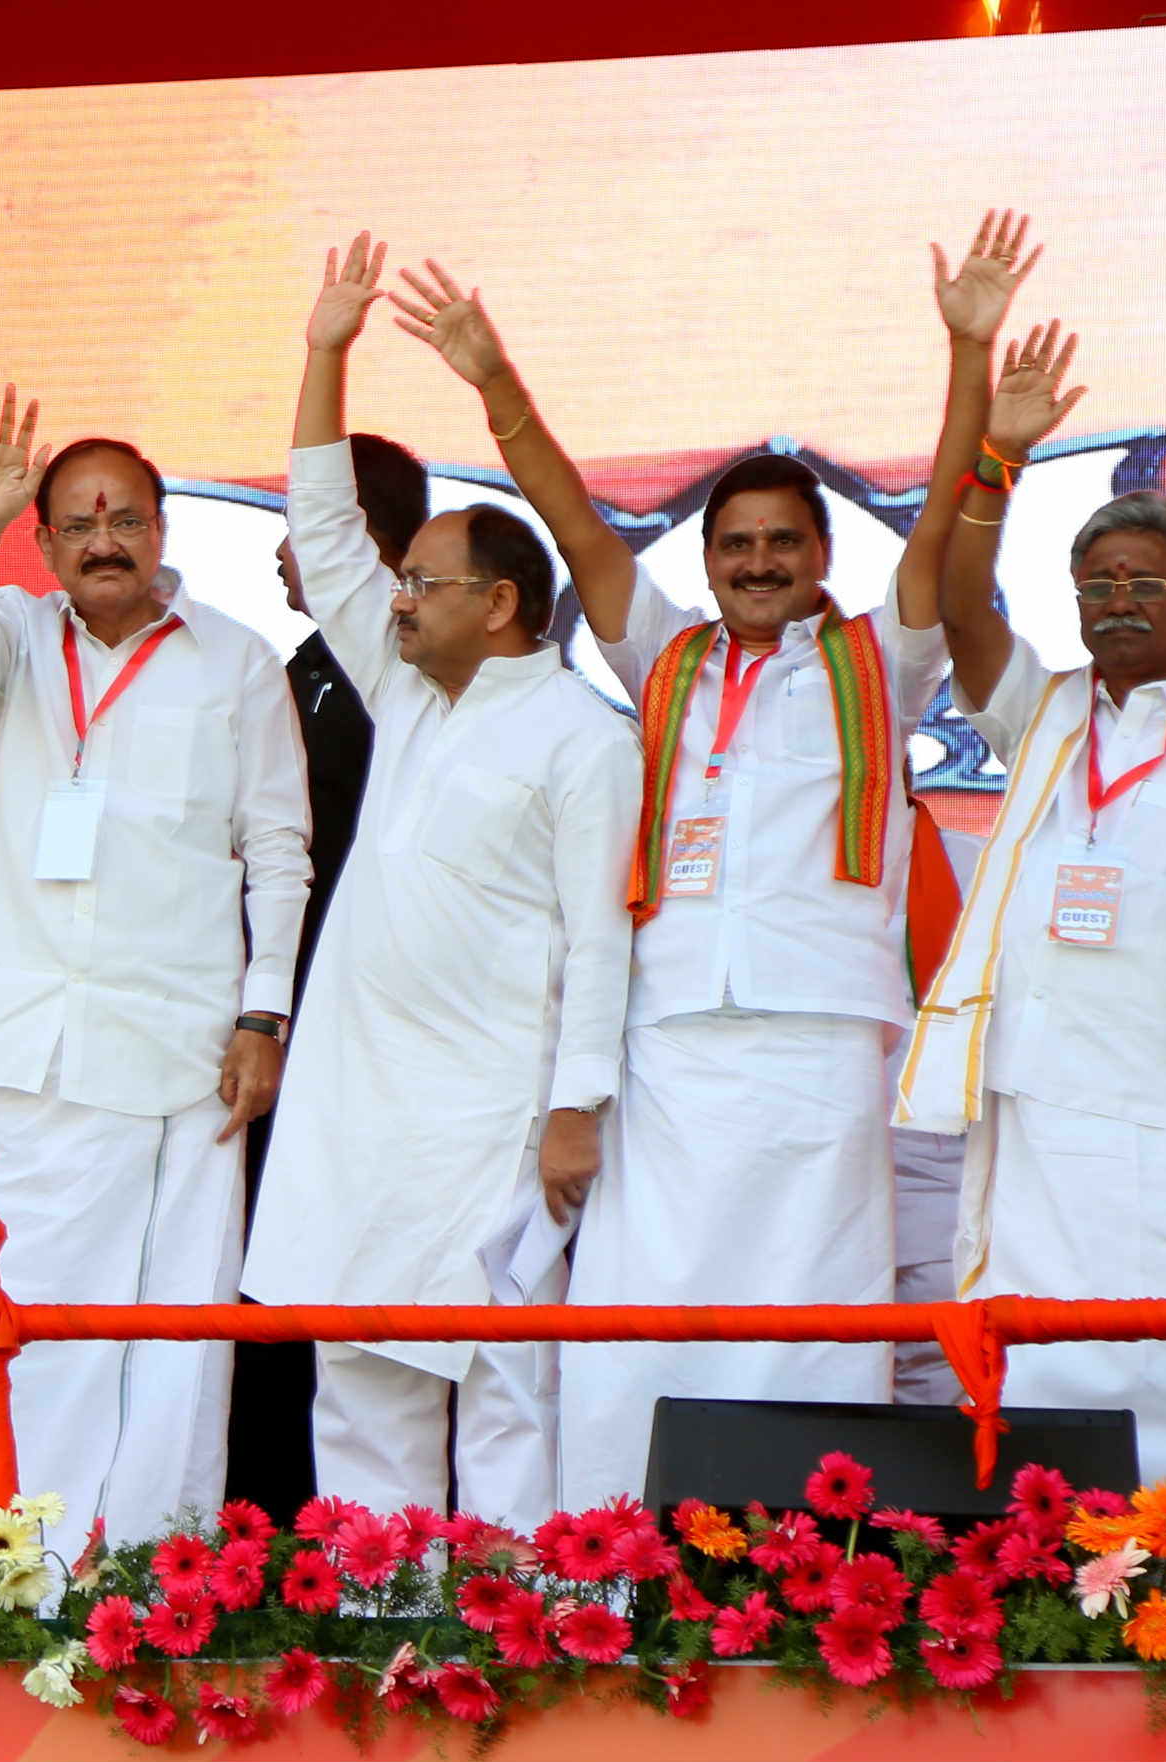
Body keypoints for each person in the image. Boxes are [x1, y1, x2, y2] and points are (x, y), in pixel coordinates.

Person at [413, 226, 978, 1509]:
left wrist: (969, 356)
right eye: (737, 546)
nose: (760, 564)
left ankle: (802, 1562)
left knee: (813, 1311)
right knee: (644, 1306)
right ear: (709, 557)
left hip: (824, 1039)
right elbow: (569, 523)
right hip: (669, 1042)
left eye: (785, 544)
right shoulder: (663, 658)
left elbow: (942, 522)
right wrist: (493, 383)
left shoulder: (881, 666)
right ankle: (620, 1556)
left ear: (821, 557)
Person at [238, 236, 640, 1529]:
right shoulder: (409, 693)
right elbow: (321, 529)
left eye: (426, 582)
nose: (395, 601)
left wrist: (577, 1106)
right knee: (357, 1372)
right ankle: (386, 1637)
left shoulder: (584, 734)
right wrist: (324, 351)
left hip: (494, 1116)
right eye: (400, 583)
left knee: (505, 1382)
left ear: (505, 603)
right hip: (359, 1108)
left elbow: (600, 940)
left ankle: (518, 1638)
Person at [904, 320, 1166, 1485]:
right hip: (1036, 1099)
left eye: (1143, 583)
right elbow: (955, 604)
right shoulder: (1039, 714)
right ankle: (1038, 1568)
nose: (1116, 601)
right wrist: (997, 458)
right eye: (1095, 584)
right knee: (1031, 1341)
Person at [0, 384, 312, 1554]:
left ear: (161, 530)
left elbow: (278, 848)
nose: (102, 539)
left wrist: (265, 1012)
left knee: (173, 1338)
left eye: (125, 517)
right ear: (44, 542)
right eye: (77, 521)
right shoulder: (17, 636)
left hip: (186, 1050)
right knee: (5, 1328)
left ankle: (145, 1577)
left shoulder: (236, 662)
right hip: (26, 1042)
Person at [241, 427, 421, 1518]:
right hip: (276, 1030)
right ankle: (253, 1539)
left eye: (295, 528)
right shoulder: (298, 671)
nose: (276, 553)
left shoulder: (403, 673)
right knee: (267, 1288)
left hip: (365, 1039)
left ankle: (342, 1545)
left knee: (353, 1317)